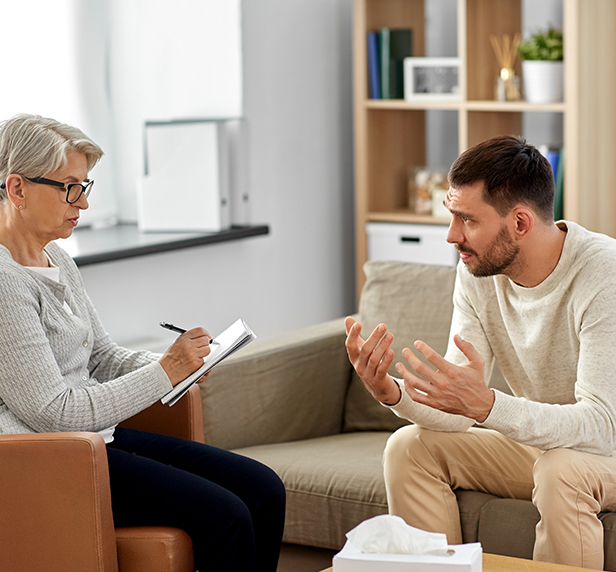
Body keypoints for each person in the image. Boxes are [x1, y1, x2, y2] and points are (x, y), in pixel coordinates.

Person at [0, 114, 285, 572]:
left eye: (85, 186)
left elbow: (102, 356)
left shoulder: (56, 256)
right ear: (17, 189)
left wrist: (174, 362)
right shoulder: (4, 283)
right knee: (226, 516)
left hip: (97, 440)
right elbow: (53, 412)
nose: (83, 203)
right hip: (52, 460)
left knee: (263, 488)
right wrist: (164, 372)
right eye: (69, 187)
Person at [345, 134, 616, 570]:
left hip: (608, 447)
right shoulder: (477, 272)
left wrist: (488, 406)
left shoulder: (604, 272)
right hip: (551, 444)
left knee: (560, 471)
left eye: (467, 219)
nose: (453, 236)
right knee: (409, 447)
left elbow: (601, 427)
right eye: (453, 216)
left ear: (521, 223)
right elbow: (458, 406)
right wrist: (391, 392)